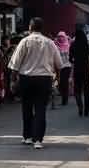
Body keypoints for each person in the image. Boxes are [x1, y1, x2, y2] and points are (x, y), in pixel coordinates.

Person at [9, 18, 62, 150]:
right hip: (44, 79)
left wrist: (13, 80)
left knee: (26, 107)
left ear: (30, 27)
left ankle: (27, 137)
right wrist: (57, 79)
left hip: (26, 78)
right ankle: (38, 140)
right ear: (41, 28)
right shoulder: (50, 43)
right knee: (40, 109)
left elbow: (15, 64)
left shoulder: (24, 42)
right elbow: (58, 64)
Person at [70, 29, 89, 116]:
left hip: (77, 69)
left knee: (77, 90)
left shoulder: (73, 45)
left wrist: (74, 60)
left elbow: (70, 58)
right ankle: (86, 110)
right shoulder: (87, 45)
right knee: (86, 90)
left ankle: (80, 106)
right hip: (86, 69)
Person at [55, 31, 72, 106]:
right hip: (59, 67)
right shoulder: (56, 46)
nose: (60, 38)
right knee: (60, 83)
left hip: (67, 66)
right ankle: (63, 96)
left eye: (62, 36)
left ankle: (65, 99)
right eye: (59, 36)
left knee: (64, 83)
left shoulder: (68, 45)